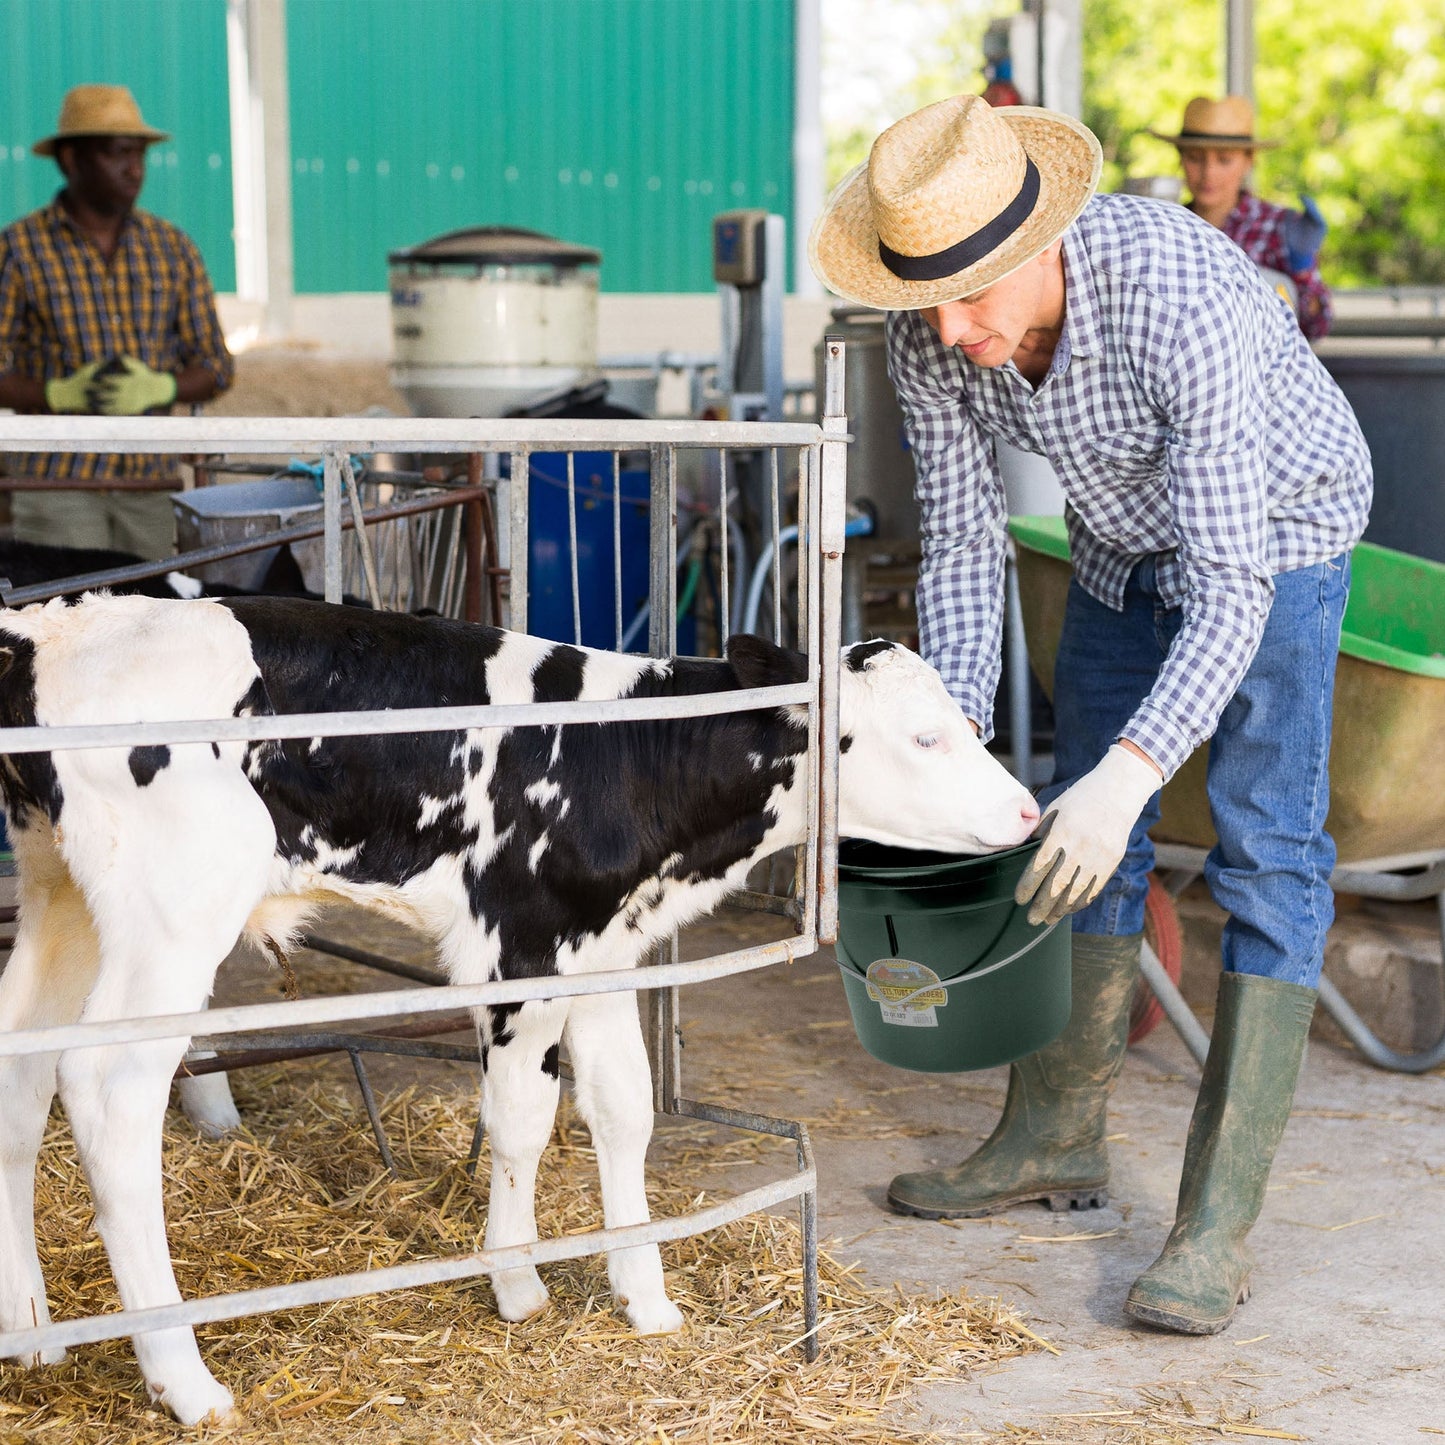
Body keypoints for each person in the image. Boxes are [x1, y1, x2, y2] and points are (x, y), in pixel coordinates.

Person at [809, 94, 1370, 1334]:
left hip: (1272, 543)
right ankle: (1052, 1135)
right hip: (1119, 547)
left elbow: (1227, 585)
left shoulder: (1184, 299)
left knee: (1263, 842)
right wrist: (941, 748)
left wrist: (1134, 769)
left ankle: (1212, 1222)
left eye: (969, 297)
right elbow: (960, 544)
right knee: (1071, 825)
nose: (948, 331)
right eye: (925, 299)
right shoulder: (934, 331)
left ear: (1037, 242)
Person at [0, 85, 234, 559]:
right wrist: (55, 393)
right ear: (71, 160)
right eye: (117, 153)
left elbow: (216, 366)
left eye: (140, 154)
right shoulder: (19, 249)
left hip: (149, 484)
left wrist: (161, 387)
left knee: (150, 620)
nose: (135, 168)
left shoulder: (172, 249)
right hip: (55, 487)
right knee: (62, 621)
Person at [1148, 94, 1332, 340]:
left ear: (1249, 161)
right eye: (1195, 158)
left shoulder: (1279, 228)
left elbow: (1316, 327)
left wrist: (1303, 269)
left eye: (1224, 160)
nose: (1208, 173)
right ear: (1180, 157)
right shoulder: (1166, 229)